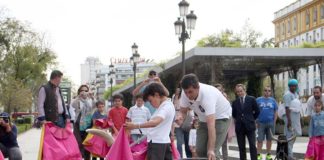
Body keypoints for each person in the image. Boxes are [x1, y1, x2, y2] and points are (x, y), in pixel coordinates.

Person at [178, 74, 232, 160]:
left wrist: (210, 149)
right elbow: (183, 111)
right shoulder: (185, 94)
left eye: (190, 92)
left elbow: (211, 127)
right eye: (186, 92)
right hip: (203, 118)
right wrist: (180, 117)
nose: (188, 95)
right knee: (200, 150)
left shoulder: (207, 95)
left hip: (221, 117)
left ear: (198, 87)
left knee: (212, 152)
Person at [125, 82, 175, 160]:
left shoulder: (165, 107)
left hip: (157, 144)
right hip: (161, 142)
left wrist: (135, 125)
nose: (151, 104)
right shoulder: (165, 105)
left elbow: (155, 122)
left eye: (150, 101)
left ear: (156, 95)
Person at [232, 84, 260, 160]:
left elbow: (257, 111)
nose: (239, 93)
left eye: (241, 91)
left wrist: (251, 119)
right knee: (241, 147)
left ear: (244, 90)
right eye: (238, 92)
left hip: (250, 126)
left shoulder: (251, 99)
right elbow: (234, 114)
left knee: (252, 145)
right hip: (239, 127)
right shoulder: (235, 102)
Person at [71, 85, 95, 160]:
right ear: (79, 91)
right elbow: (73, 105)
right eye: (82, 90)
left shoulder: (90, 100)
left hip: (88, 124)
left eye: (86, 90)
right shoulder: (77, 100)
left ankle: (87, 158)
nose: (84, 92)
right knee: (78, 142)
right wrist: (78, 96)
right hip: (78, 124)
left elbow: (95, 106)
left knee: (87, 143)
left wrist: (92, 97)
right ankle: (80, 157)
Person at [256, 86, 278, 160]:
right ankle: (258, 154)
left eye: (269, 91)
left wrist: (274, 122)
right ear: (263, 91)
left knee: (269, 139)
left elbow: (275, 112)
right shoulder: (258, 100)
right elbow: (254, 111)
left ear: (270, 92)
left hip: (270, 123)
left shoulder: (273, 101)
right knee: (260, 140)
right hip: (260, 123)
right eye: (265, 90)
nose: (267, 92)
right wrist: (255, 121)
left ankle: (268, 154)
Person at [282, 79, 302, 160]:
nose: (293, 87)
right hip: (290, 117)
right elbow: (287, 108)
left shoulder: (296, 94)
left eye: (295, 86)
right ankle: (289, 156)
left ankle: (289, 153)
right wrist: (289, 121)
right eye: (291, 86)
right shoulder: (287, 95)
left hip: (296, 118)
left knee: (294, 136)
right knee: (289, 137)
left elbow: (298, 107)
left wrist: (300, 119)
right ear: (289, 86)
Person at [172, 87, 192, 158]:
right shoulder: (174, 96)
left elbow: (190, 107)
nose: (177, 91)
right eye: (176, 90)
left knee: (187, 141)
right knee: (179, 142)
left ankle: (189, 156)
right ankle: (179, 157)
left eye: (179, 90)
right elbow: (172, 107)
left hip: (185, 119)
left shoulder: (185, 97)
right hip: (177, 118)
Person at [214, 83, 230, 160]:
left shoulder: (224, 98)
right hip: (213, 124)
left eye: (220, 90)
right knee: (215, 144)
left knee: (224, 143)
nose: (218, 91)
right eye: (217, 90)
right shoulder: (212, 99)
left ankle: (225, 158)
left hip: (223, 123)